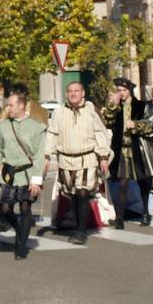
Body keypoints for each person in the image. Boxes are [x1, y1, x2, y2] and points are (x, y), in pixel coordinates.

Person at [44, 82, 111, 245]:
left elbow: (100, 133)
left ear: (83, 93)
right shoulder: (59, 112)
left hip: (86, 158)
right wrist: (46, 156)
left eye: (76, 91)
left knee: (82, 192)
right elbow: (52, 133)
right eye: (70, 91)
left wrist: (103, 156)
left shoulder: (90, 111)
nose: (73, 94)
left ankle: (81, 231)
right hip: (65, 159)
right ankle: (78, 224)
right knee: (72, 193)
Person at [0, 90, 46, 259]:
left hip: (28, 173)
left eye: (11, 105)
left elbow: (40, 155)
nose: (8, 108)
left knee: (25, 208)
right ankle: (19, 229)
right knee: (4, 209)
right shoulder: (2, 126)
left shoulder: (37, 127)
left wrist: (36, 180)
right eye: (7, 105)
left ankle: (22, 246)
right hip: (9, 173)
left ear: (21, 105)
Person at [103, 77, 153, 228]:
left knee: (143, 182)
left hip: (138, 149)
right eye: (119, 90)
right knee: (123, 183)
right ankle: (119, 219)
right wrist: (111, 106)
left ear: (130, 91)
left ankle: (146, 214)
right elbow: (107, 122)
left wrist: (135, 124)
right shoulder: (116, 107)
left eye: (124, 90)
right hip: (121, 150)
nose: (121, 93)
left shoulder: (141, 105)